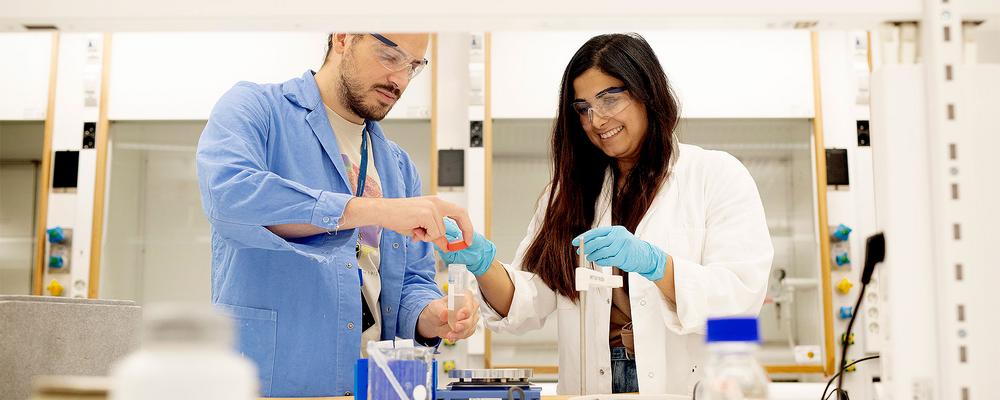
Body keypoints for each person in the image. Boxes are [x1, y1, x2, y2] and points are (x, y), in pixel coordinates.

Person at [436, 33, 773, 395]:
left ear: (647, 91)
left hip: (683, 383)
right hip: (593, 382)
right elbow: (528, 303)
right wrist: (482, 262)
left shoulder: (715, 175)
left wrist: (658, 265)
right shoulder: (567, 195)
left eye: (609, 98)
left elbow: (740, 296)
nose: (596, 120)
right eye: (583, 108)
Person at [196, 33, 480, 397]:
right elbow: (229, 196)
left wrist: (431, 315)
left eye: (413, 66)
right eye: (390, 56)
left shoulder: (398, 166)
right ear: (344, 37)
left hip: (375, 387)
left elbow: (411, 281)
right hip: (270, 386)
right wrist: (375, 210)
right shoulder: (256, 108)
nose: (400, 80)